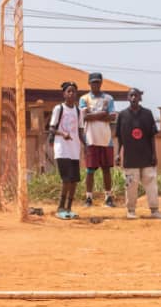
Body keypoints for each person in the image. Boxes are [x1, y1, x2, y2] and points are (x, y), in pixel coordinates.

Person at [114, 87, 161, 220]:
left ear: (140, 98)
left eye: (135, 96)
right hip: (130, 158)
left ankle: (154, 210)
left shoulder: (147, 114)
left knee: (151, 183)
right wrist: (118, 153)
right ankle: (131, 210)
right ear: (127, 98)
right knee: (131, 184)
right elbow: (119, 137)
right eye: (131, 96)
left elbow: (152, 136)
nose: (133, 98)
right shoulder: (122, 115)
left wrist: (154, 154)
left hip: (147, 156)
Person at [79, 72, 116, 208]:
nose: (95, 84)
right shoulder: (84, 98)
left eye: (97, 82)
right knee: (90, 170)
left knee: (106, 169)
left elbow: (112, 117)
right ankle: (88, 197)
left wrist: (92, 114)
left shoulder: (108, 98)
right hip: (90, 138)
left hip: (106, 139)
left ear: (101, 83)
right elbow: (84, 117)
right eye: (93, 82)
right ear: (89, 83)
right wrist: (102, 114)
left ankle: (108, 197)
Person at [48, 81, 85, 220]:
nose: (71, 93)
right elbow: (51, 128)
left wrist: (86, 145)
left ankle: (69, 208)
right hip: (62, 149)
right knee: (66, 180)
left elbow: (80, 132)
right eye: (68, 91)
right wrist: (63, 134)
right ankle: (60, 207)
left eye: (74, 91)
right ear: (64, 94)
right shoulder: (59, 109)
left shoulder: (78, 111)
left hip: (74, 149)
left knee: (74, 180)